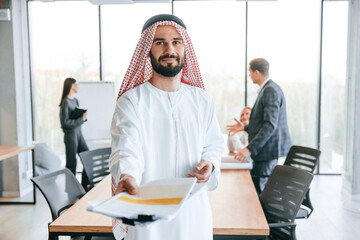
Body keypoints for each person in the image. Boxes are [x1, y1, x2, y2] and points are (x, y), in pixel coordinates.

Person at [109, 14, 224, 240]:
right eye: (160, 42)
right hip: (148, 220)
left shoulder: (202, 100)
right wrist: (127, 175)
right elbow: (126, 147)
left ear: (185, 48)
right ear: (147, 50)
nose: (169, 49)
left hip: (194, 216)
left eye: (176, 42)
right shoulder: (132, 101)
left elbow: (213, 145)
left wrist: (210, 164)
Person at [227, 58, 292, 194]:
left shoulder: (270, 91)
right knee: (255, 187)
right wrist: (245, 127)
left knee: (258, 190)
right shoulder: (268, 89)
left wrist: (249, 149)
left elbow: (270, 125)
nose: (249, 76)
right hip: (266, 150)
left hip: (267, 151)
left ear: (256, 72)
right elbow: (264, 123)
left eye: (250, 72)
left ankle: (259, 215)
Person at [59, 77, 89, 185]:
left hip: (79, 134)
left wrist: (82, 117)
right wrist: (81, 119)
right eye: (76, 84)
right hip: (70, 136)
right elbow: (65, 123)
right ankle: (70, 191)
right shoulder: (65, 102)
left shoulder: (75, 100)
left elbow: (75, 118)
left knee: (88, 159)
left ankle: (84, 186)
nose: (78, 86)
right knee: (71, 164)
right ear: (71, 85)